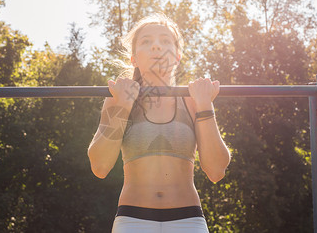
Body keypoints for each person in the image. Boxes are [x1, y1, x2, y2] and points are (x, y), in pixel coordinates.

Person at [87, 13, 231, 233]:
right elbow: (99, 166)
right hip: (132, 220)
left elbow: (216, 170)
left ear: (177, 56)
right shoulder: (117, 99)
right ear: (134, 58)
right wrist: (124, 106)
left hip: (188, 220)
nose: (156, 47)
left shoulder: (194, 100)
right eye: (146, 41)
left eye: (165, 41)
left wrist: (205, 106)